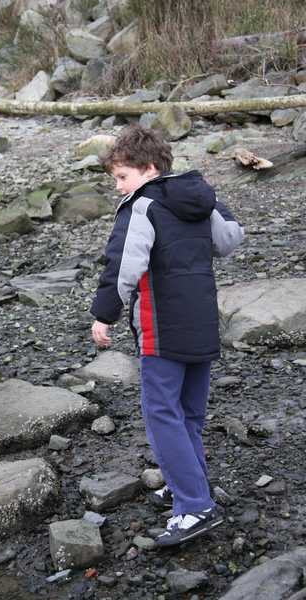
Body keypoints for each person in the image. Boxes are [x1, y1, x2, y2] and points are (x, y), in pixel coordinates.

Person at [90, 125, 244, 547]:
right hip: (202, 323)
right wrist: (212, 199)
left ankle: (194, 506)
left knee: (161, 415)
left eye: (122, 176)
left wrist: (104, 314)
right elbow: (230, 239)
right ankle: (188, 485)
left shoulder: (141, 206)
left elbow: (123, 265)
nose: (118, 186)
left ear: (149, 169)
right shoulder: (198, 200)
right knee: (188, 414)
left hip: (162, 329)